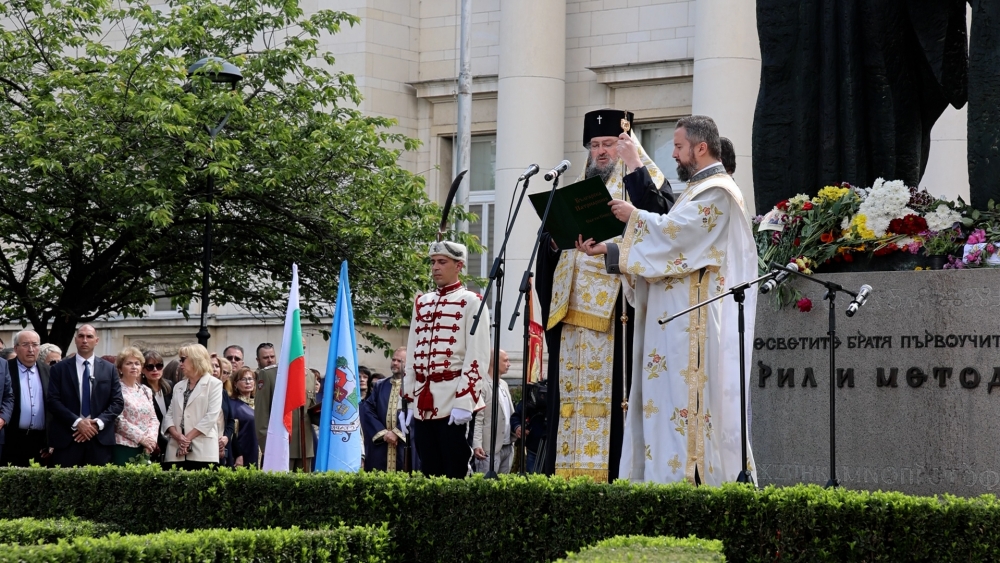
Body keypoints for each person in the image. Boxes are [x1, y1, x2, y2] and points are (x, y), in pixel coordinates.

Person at [575, 115, 758, 485]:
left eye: (677, 146)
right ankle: (660, 485)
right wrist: (608, 250)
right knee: (662, 408)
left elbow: (677, 238)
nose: (673, 154)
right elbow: (667, 250)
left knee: (685, 407)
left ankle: (689, 483)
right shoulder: (695, 191)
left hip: (693, 325)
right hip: (672, 325)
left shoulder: (719, 192)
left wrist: (634, 217)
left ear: (700, 147)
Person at [536, 109, 674, 482]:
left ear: (625, 144)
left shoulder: (642, 180)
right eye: (594, 145)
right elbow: (551, 251)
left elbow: (664, 224)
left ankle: (609, 477)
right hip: (569, 313)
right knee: (570, 404)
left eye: (608, 144)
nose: (600, 152)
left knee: (610, 402)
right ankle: (563, 476)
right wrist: (552, 243)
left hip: (616, 315)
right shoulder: (574, 188)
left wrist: (634, 169)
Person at [401, 241, 490, 479]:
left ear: (458, 265)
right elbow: (412, 352)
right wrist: (409, 399)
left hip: (453, 399)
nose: (435, 268)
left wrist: (466, 400)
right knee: (428, 469)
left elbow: (477, 355)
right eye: (433, 262)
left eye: (442, 262)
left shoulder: (472, 301)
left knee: (456, 469)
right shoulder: (422, 302)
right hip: (422, 400)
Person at [46, 324, 124, 466]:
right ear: (75, 340)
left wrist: (96, 424)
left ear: (97, 340)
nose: (85, 340)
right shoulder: (59, 369)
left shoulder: (109, 369)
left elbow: (117, 402)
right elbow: (53, 401)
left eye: (89, 336)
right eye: (81, 336)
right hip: (68, 439)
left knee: (98, 486)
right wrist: (78, 423)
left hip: (99, 439)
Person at [163, 343, 223, 470]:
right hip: (176, 450)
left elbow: (211, 416)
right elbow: (169, 415)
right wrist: (178, 437)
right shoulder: (178, 386)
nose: (180, 364)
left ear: (196, 360)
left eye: (183, 359)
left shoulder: (214, 384)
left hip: (202, 451)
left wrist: (186, 440)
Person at [254, 352, 316, 469]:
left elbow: (310, 411)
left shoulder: (310, 375)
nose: (301, 350)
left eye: (304, 348)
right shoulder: (270, 374)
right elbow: (261, 415)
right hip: (280, 446)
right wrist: (268, 447)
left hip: (305, 448)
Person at [5, 330, 50, 467]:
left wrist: (50, 441)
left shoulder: (49, 371)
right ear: (16, 348)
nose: (31, 349)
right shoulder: (5, 369)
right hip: (11, 439)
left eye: (35, 345)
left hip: (40, 443)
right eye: (25, 345)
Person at [361, 346, 408, 472]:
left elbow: (414, 413)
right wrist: (383, 433)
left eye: (399, 361)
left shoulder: (413, 386)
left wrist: (397, 432)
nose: (394, 363)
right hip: (381, 443)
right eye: (393, 360)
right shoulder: (380, 385)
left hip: (403, 444)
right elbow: (368, 409)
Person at [112, 347, 158, 465]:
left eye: (137, 363)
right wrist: (141, 438)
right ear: (120, 369)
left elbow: (153, 418)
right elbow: (118, 419)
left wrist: (151, 440)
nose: (134, 367)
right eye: (129, 363)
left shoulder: (146, 390)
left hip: (145, 448)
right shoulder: (115, 389)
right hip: (124, 446)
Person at [472, 349, 514, 474]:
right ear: (494, 362)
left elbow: (509, 414)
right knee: (487, 488)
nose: (509, 364)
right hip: (489, 449)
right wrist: (477, 444)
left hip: (507, 446)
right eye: (505, 360)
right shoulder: (483, 385)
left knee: (503, 487)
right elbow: (479, 418)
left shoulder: (504, 384)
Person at [140, 350, 172, 464]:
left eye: (159, 366)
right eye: (150, 367)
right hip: (153, 443)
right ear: (143, 369)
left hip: (172, 440)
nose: (155, 370)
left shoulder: (171, 387)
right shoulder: (141, 390)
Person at [230, 366, 258, 468]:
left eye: (250, 379)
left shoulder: (259, 403)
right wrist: (237, 454)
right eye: (243, 379)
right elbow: (231, 433)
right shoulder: (232, 405)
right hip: (241, 454)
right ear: (235, 384)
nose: (248, 382)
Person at [211, 354, 236, 466]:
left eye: (217, 366)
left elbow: (230, 420)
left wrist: (226, 437)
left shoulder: (223, 392)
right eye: (211, 366)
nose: (215, 369)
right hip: (206, 445)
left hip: (222, 445)